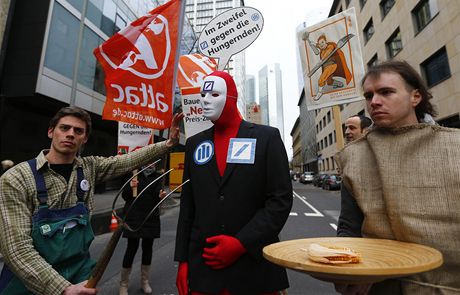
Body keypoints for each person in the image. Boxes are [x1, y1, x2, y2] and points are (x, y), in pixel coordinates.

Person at [0, 106, 183, 295]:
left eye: (78, 131)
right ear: (50, 131)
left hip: (80, 281)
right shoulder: (16, 178)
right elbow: (16, 249)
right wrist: (63, 289)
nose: (70, 134)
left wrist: (168, 144)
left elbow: (127, 160)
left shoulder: (89, 168)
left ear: (84, 139)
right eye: (64, 128)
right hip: (29, 284)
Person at [335, 60, 459, 294]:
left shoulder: (455, 147)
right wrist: (351, 269)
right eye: (369, 95)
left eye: (386, 92)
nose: (374, 102)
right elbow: (349, 228)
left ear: (415, 97)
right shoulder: (354, 157)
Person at [174, 71, 293, 295]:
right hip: (205, 272)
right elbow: (188, 207)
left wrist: (241, 243)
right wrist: (182, 261)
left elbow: (280, 200)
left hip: (254, 270)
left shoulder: (266, 138)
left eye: (214, 93)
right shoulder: (194, 144)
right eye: (202, 94)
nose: (206, 100)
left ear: (231, 98)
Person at [119, 164, 167, 295]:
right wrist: (130, 187)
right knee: (131, 248)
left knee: (147, 249)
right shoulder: (133, 173)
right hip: (133, 216)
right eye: (149, 161)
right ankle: (123, 284)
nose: (151, 164)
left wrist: (161, 196)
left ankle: (144, 282)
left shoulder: (158, 176)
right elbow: (125, 196)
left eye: (153, 162)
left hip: (150, 217)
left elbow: (158, 196)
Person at [305, 33, 352, 100]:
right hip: (326, 67)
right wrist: (313, 44)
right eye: (319, 43)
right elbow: (318, 46)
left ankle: (320, 93)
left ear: (326, 42)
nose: (321, 44)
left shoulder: (330, 47)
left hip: (331, 65)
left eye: (322, 42)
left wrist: (321, 60)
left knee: (321, 80)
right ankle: (340, 84)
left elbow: (327, 53)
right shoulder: (321, 47)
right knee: (329, 82)